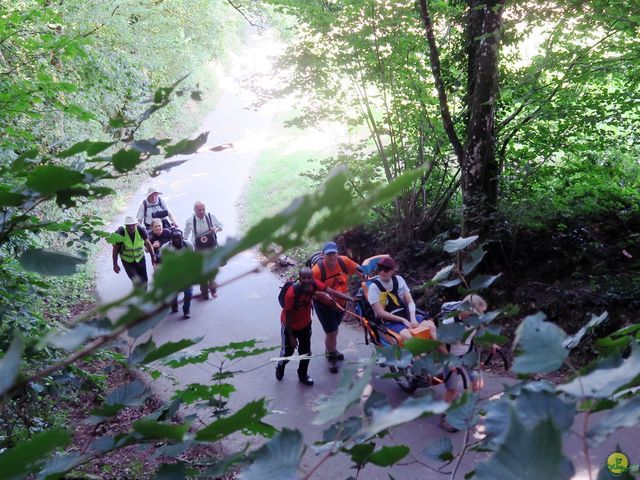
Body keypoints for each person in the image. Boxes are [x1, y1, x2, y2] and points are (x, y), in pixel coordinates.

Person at [276, 267, 354, 386]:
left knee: (306, 352)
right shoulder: (292, 293)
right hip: (289, 326)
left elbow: (332, 292)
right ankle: (280, 365)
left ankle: (302, 375)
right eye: (304, 278)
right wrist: (291, 337)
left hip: (305, 324)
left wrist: (351, 299)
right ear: (299, 278)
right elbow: (288, 316)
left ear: (312, 278)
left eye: (309, 278)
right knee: (288, 351)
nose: (307, 280)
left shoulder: (314, 284)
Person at [437, 294, 487, 432]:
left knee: (477, 383)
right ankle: (444, 417)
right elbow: (439, 345)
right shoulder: (449, 323)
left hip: (468, 355)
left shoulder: (475, 319)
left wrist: (492, 343)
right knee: (452, 390)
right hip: (451, 357)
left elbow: (481, 329)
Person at [311, 241, 362, 373]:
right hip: (324, 305)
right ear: (323, 255)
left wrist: (368, 279)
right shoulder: (316, 271)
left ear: (337, 253)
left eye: (334, 254)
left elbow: (359, 271)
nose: (332, 257)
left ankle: (332, 349)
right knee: (331, 332)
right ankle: (331, 355)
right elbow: (309, 290)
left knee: (334, 329)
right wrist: (322, 295)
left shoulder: (343, 261)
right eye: (329, 255)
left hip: (341, 303)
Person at [366, 255, 436, 341]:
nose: (382, 272)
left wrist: (413, 317)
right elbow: (380, 313)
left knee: (432, 327)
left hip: (406, 314)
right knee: (411, 338)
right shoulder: (374, 287)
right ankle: (421, 354)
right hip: (390, 321)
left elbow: (410, 300)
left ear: (392, 271)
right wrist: (402, 320)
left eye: (386, 270)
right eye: (380, 269)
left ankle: (444, 354)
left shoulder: (399, 280)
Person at [184, 201, 223, 300]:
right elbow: (186, 235)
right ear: (194, 210)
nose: (201, 212)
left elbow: (221, 225)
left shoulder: (210, 216)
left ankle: (213, 290)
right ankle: (204, 292)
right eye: (199, 210)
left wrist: (216, 229)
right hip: (198, 249)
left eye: (203, 209)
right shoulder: (190, 220)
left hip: (211, 247)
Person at [110, 216, 156, 290]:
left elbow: (148, 243)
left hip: (140, 258)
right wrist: (115, 264)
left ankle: (144, 295)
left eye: (133, 225)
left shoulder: (140, 230)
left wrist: (153, 256)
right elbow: (115, 250)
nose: (131, 227)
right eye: (129, 225)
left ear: (136, 224)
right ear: (126, 225)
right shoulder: (121, 232)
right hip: (127, 261)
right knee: (136, 281)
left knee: (144, 280)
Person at [160, 230, 194, 319]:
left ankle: (186, 310)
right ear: (171, 239)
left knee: (188, 293)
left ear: (182, 237)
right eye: (174, 238)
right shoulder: (165, 248)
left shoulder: (189, 245)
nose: (177, 240)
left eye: (178, 237)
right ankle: (174, 305)